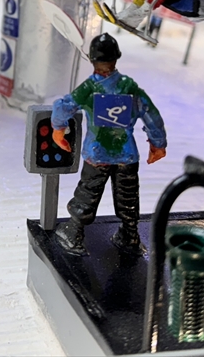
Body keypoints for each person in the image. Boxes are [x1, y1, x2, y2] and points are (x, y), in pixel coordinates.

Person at [51, 33, 167, 256]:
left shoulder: (89, 88)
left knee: (88, 194)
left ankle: (74, 233)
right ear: (116, 58)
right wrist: (158, 144)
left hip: (97, 155)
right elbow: (151, 115)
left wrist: (58, 129)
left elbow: (63, 107)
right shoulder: (130, 87)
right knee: (128, 197)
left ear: (92, 59)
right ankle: (130, 235)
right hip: (126, 155)